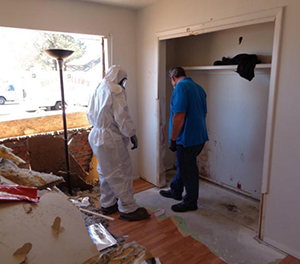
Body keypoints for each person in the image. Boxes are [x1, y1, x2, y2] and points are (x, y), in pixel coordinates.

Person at [87, 65, 150, 221]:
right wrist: (132, 134)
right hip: (110, 137)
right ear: (119, 78)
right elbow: (122, 116)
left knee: (104, 171)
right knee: (121, 172)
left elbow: (90, 113)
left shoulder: (99, 87)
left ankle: (107, 204)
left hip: (96, 134)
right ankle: (128, 208)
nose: (124, 83)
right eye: (123, 80)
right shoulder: (115, 90)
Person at [159, 67, 209, 212]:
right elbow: (204, 114)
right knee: (184, 165)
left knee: (189, 171)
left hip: (186, 139)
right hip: (199, 137)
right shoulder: (199, 88)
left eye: (171, 81)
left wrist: (173, 139)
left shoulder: (180, 88)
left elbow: (179, 115)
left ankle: (190, 202)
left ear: (173, 78)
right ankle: (175, 190)